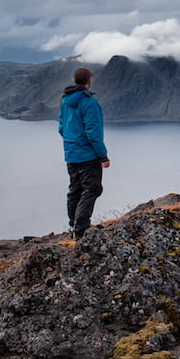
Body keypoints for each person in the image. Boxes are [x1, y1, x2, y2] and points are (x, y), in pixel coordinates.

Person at [58, 67, 110, 240]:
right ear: (88, 81)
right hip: (88, 155)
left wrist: (71, 143)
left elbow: (61, 127)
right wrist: (103, 156)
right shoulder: (90, 103)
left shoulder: (65, 100)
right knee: (92, 188)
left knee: (75, 190)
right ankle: (81, 229)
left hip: (71, 154)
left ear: (75, 81)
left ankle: (74, 225)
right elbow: (93, 133)